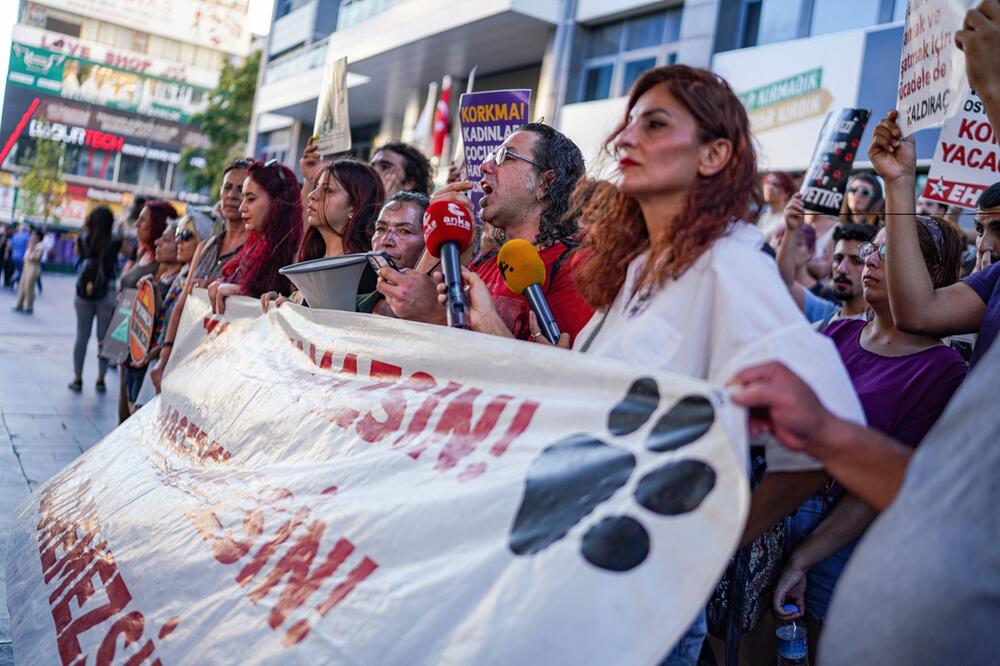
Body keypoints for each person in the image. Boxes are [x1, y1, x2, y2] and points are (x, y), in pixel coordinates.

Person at [728, 341, 1000, 664]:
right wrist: (822, 433)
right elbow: (943, 489)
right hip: (792, 523)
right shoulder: (842, 331)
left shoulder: (944, 365)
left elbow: (949, 500)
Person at [771, 216, 967, 661]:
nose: (868, 259)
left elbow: (882, 486)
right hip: (781, 508)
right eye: (871, 249)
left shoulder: (942, 368)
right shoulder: (838, 331)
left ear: (931, 276)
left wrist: (804, 558)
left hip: (848, 537)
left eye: (888, 251)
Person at [380, 122, 594, 344]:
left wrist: (438, 316)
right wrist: (439, 225)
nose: (484, 166)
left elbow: (559, 371)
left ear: (545, 183)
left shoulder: (578, 264)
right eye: (490, 157)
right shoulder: (487, 261)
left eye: (506, 157)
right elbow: (409, 317)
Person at [869, 112, 999, 368]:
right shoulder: (993, 280)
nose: (984, 246)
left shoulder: (941, 367)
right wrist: (898, 181)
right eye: (980, 231)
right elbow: (915, 315)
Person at [261, 159, 385, 311]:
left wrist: (298, 313)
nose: (312, 195)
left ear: (354, 206)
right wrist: (280, 303)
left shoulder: (360, 271)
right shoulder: (313, 257)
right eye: (316, 187)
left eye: (327, 190)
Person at [208, 160, 303, 314]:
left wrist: (253, 297)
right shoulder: (254, 246)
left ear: (277, 202)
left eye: (250, 199)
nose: (241, 207)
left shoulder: (296, 253)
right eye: (243, 198)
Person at [116, 199, 178, 421]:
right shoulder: (140, 254)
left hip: (142, 349)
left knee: (131, 415)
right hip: (127, 341)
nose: (137, 225)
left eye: (143, 220)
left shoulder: (162, 265)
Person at [69, 206, 121, 393]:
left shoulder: (83, 240)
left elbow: (78, 256)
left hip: (83, 293)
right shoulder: (115, 242)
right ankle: (100, 379)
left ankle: (77, 377)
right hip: (106, 292)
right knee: (103, 339)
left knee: (81, 336)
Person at [358, 191, 429, 315]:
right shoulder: (352, 304)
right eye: (380, 229)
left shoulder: (444, 306)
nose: (386, 241)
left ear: (428, 241)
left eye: (404, 231)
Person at [191, 159, 251, 283]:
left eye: (241, 190)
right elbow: (185, 298)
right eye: (227, 187)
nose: (231, 195)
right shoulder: (205, 246)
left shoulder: (253, 251)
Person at [757, 171, 795, 245]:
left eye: (775, 185)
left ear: (786, 193)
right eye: (767, 183)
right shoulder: (763, 218)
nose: (769, 187)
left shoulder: (788, 219)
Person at [13, 228, 43, 314]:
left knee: (29, 287)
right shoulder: (31, 244)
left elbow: (34, 257)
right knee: (22, 286)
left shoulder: (40, 246)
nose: (32, 237)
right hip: (26, 266)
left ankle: (29, 307)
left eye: (34, 236)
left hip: (33, 267)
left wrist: (31, 248)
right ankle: (19, 305)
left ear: (38, 237)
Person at [9, 222, 30, 288]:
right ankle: (13, 280)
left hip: (14, 256)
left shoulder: (15, 235)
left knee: (17, 270)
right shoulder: (27, 236)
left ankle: (15, 282)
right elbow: (28, 246)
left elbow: (11, 246)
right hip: (22, 256)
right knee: (21, 271)